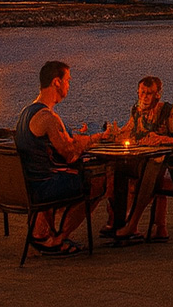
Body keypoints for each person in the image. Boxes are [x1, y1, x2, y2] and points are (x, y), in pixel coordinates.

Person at [14, 60, 110, 256]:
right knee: (98, 182)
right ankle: (56, 239)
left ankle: (44, 230)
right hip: (43, 187)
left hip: (26, 184)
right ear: (56, 82)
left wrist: (87, 139)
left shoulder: (26, 112)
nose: (69, 85)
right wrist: (92, 140)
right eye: (68, 80)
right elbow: (69, 154)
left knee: (81, 175)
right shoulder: (47, 117)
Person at [104, 76, 173, 243]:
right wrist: (111, 134)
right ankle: (119, 221)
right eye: (142, 93)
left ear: (157, 95)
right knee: (117, 168)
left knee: (150, 173)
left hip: (166, 163)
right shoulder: (138, 111)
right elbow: (128, 131)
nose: (145, 97)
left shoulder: (169, 111)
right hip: (143, 160)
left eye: (149, 93)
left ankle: (133, 225)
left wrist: (160, 139)